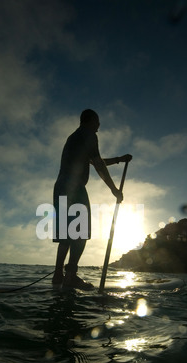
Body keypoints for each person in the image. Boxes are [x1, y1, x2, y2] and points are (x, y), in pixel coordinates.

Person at [52, 109, 132, 290]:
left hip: (60, 187)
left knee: (66, 235)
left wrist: (119, 159)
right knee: (80, 234)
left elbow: (95, 160)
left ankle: (58, 275)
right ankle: (70, 276)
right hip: (74, 188)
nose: (99, 126)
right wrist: (114, 190)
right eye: (97, 122)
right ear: (89, 121)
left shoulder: (74, 137)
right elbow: (98, 164)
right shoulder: (88, 134)